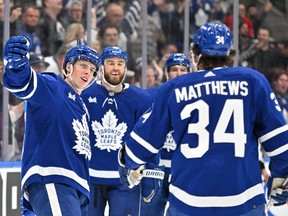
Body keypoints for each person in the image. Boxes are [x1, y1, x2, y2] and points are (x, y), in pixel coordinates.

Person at [119, 23, 288, 216]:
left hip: (188, 201)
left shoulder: (175, 87)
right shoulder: (253, 81)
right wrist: (280, 183)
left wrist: (128, 161)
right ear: (230, 52)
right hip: (244, 201)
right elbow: (281, 146)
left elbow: (139, 145)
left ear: (195, 54)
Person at [2, 35, 101, 215]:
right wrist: (17, 65)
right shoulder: (53, 87)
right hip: (53, 179)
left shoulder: (83, 108)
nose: (88, 73)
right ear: (68, 67)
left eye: (93, 69)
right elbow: (24, 83)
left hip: (77, 189)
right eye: (84, 66)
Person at [81, 46, 159, 216]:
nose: (115, 68)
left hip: (126, 181)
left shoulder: (142, 99)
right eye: (110, 63)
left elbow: (151, 137)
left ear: (125, 68)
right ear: (101, 67)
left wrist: (151, 177)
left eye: (120, 63)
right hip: (90, 179)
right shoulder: (85, 94)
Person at [144, 53, 191, 216]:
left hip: (184, 169)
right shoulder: (151, 96)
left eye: (183, 70)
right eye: (174, 70)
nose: (178, 74)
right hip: (156, 168)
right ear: (166, 73)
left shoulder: (197, 98)